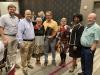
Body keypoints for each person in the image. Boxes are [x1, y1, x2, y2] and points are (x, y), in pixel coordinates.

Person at [0, 4, 19, 69]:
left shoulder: (16, 18)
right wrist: (4, 38)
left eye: (13, 9)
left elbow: (17, 28)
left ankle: (13, 63)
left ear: (15, 10)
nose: (12, 10)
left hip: (15, 36)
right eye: (11, 9)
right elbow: (1, 28)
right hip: (7, 36)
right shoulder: (3, 17)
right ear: (8, 9)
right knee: (8, 52)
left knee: (14, 51)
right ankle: (9, 65)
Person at [17, 10, 35, 74]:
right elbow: (19, 33)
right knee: (24, 56)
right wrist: (20, 42)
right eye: (27, 14)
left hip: (31, 41)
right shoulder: (22, 22)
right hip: (25, 42)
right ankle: (24, 68)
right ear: (24, 14)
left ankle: (28, 63)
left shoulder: (30, 21)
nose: (29, 15)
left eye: (29, 14)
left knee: (29, 55)